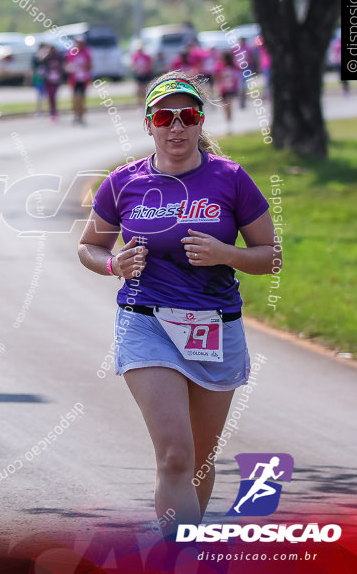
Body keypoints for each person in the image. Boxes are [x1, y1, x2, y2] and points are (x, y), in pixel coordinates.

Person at [77, 72, 280, 536]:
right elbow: (89, 246)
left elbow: (270, 256)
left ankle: (183, 540)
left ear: (200, 121)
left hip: (215, 326)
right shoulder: (124, 182)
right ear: (149, 123)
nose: (177, 126)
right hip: (146, 322)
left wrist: (225, 254)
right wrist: (114, 265)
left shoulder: (230, 178)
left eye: (188, 115)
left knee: (198, 463)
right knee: (174, 454)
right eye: (165, 117)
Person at [65, 36, 92, 125]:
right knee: (75, 98)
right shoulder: (71, 53)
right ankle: (76, 115)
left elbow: (90, 66)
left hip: (83, 79)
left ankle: (81, 115)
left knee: (80, 98)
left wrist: (83, 68)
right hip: (74, 79)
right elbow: (66, 65)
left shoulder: (86, 53)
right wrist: (70, 68)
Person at [213, 51, 240, 133]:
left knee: (229, 106)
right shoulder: (219, 65)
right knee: (225, 107)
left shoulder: (233, 66)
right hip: (223, 89)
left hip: (230, 89)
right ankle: (228, 122)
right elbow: (216, 76)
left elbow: (237, 76)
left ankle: (230, 124)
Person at [40, 44, 64, 122]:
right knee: (50, 96)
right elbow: (40, 61)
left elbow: (62, 66)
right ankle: (52, 112)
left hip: (56, 80)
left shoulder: (58, 58)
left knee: (54, 96)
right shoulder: (47, 58)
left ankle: (54, 111)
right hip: (48, 80)